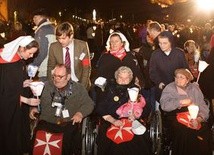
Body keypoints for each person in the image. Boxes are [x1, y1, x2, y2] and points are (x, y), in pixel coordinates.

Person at [30, 64, 94, 154]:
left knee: (67, 142)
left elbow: (89, 103)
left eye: (60, 76)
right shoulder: (45, 86)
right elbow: (35, 99)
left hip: (68, 123)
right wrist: (34, 108)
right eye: (54, 76)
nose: (56, 79)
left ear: (68, 77)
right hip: (47, 122)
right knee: (37, 140)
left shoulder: (78, 88)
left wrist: (80, 113)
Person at [96, 66, 151, 155]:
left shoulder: (135, 89)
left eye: (126, 78)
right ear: (116, 77)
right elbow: (100, 107)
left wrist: (136, 115)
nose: (123, 80)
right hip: (111, 120)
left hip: (132, 120)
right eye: (120, 77)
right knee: (109, 141)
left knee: (139, 139)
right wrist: (113, 120)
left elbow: (146, 108)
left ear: (131, 79)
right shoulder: (108, 88)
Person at [0, 36, 40, 154]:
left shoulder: (18, 60)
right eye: (30, 53)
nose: (32, 56)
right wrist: (27, 101)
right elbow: (6, 93)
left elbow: (11, 85)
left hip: (14, 107)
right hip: (6, 109)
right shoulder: (8, 64)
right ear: (22, 48)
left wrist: (23, 83)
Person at [160, 68, 212, 155]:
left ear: (188, 80)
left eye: (181, 77)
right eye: (176, 77)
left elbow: (203, 106)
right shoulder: (170, 88)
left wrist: (199, 119)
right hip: (175, 115)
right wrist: (180, 102)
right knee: (185, 131)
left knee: (205, 130)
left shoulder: (195, 88)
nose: (178, 79)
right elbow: (164, 105)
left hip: (195, 115)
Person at [47, 22, 91, 90]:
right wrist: (53, 85)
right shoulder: (53, 47)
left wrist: (82, 88)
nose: (60, 41)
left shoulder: (82, 46)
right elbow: (50, 67)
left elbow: (86, 68)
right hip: (61, 84)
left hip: (78, 83)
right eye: (58, 38)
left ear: (71, 36)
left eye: (63, 38)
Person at [149, 31, 189, 101]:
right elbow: (152, 72)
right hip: (162, 89)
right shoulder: (155, 55)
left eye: (165, 43)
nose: (162, 45)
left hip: (179, 88)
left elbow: (185, 70)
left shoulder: (179, 54)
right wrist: (159, 82)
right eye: (160, 43)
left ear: (171, 42)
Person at [31, 8, 55, 81]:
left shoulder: (42, 30)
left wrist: (34, 65)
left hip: (45, 66)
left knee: (44, 90)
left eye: (35, 17)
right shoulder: (52, 28)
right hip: (53, 64)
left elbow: (42, 51)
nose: (33, 19)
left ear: (40, 17)